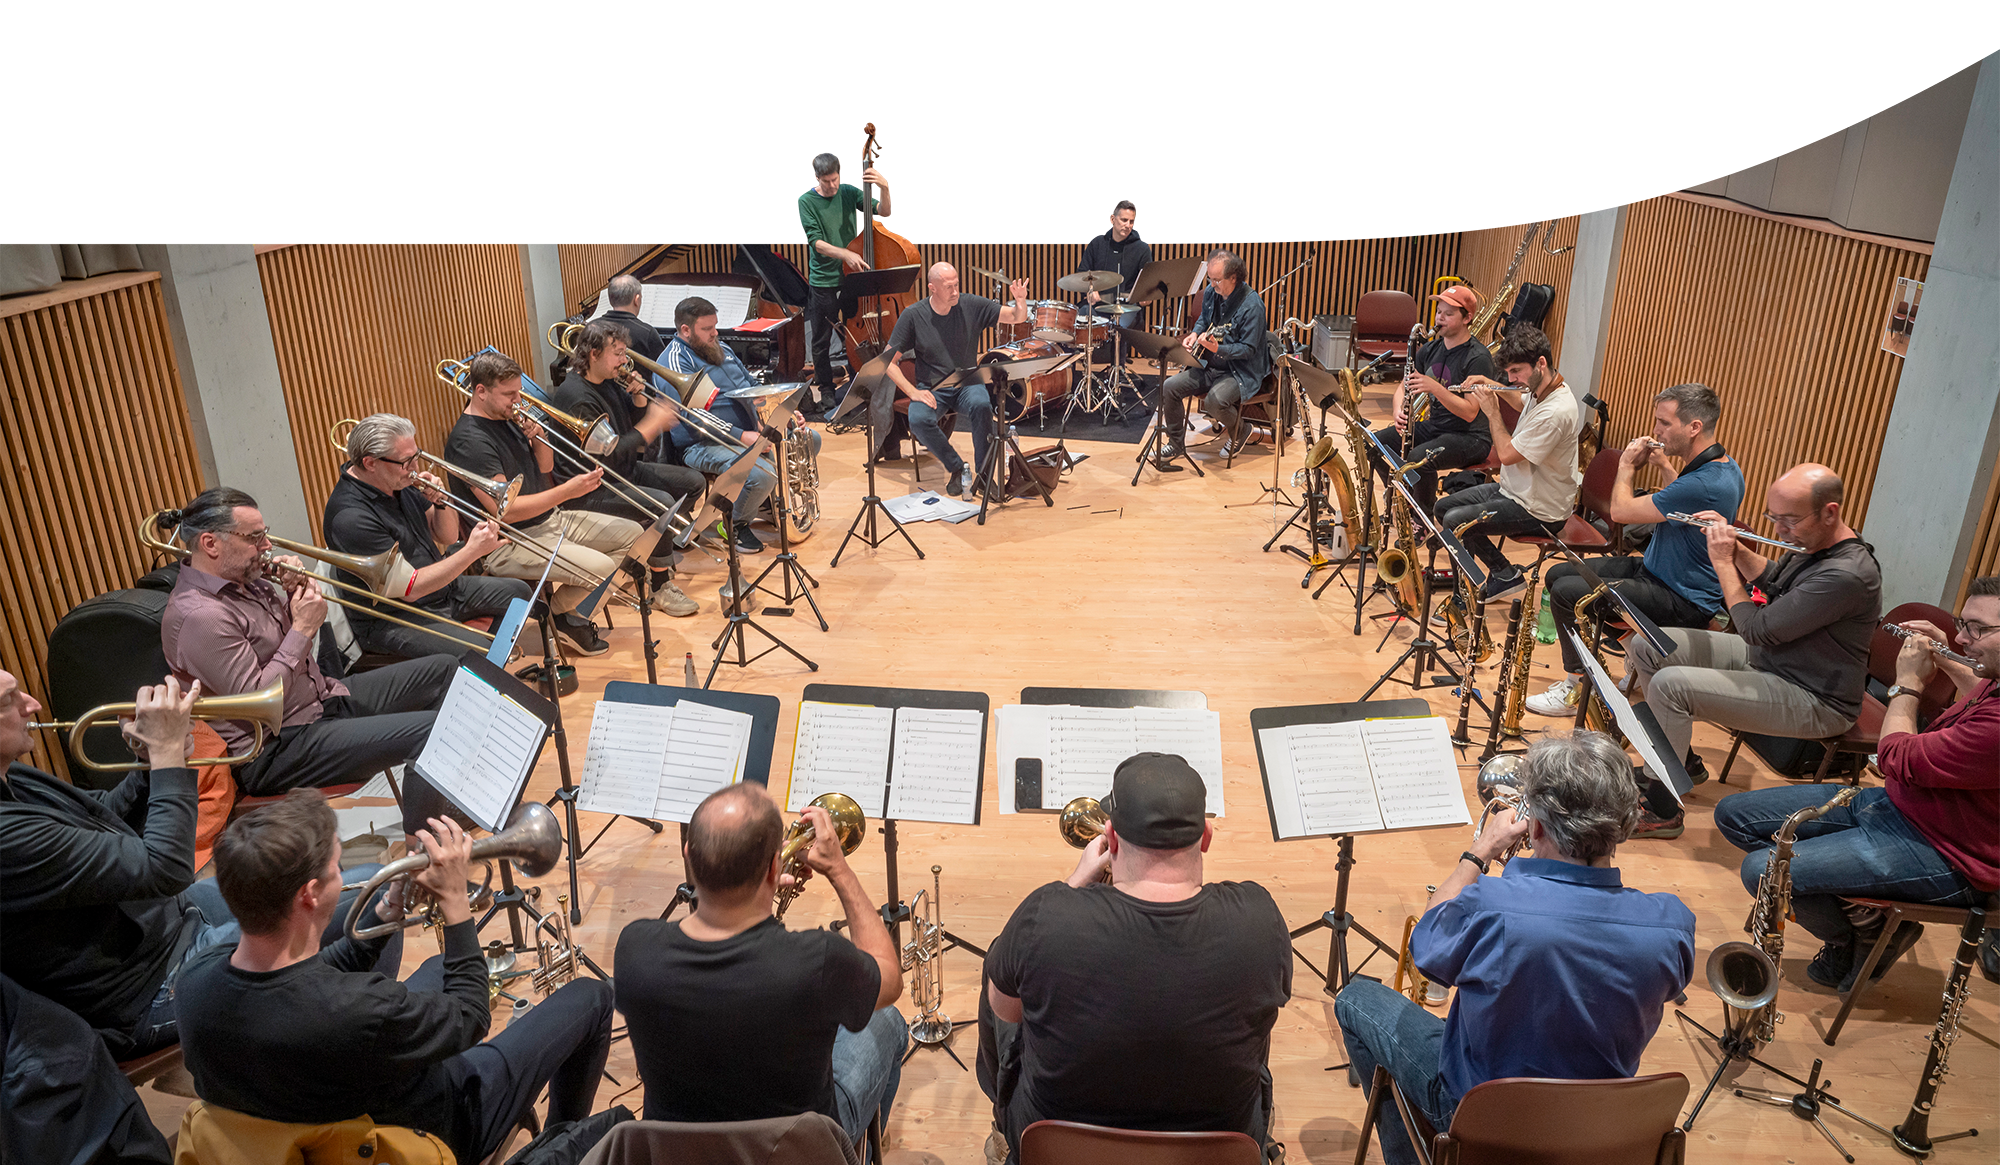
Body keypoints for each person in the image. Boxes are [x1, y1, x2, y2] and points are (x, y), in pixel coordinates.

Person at [175, 792, 613, 1165]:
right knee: (592, 999)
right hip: (435, 1125)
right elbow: (472, 1015)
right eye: (336, 867)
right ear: (308, 894)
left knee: (442, 967)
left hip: (316, 1099)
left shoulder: (195, 980)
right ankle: (562, 1139)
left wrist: (387, 909)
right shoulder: (359, 1010)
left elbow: (311, 978)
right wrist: (456, 903)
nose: (343, 875)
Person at [1334, 731, 1695, 1165]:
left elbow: (1426, 947)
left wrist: (1480, 851)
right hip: (1599, 1131)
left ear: (1536, 825)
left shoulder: (1488, 906)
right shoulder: (1671, 925)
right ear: (1624, 825)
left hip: (1485, 1123)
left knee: (1355, 999)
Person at [0, 671, 398, 1058]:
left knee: (320, 872)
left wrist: (148, 763)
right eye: (9, 700)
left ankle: (323, 1028)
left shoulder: (11, 775)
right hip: (148, 986)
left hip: (167, 920)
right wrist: (167, 755)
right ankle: (348, 1059)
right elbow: (165, 870)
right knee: (375, 894)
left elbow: (105, 819)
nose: (32, 705)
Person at [982, 753, 1291, 1154]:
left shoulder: (1045, 916)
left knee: (1003, 962)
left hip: (1062, 1152)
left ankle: (1003, 1131)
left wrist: (1074, 884)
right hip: (1210, 1155)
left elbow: (1005, 1010)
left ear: (1110, 840)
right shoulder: (1258, 919)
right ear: (1207, 837)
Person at [1714, 578, 2000, 991]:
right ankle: (1866, 921)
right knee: (1735, 816)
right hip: (1899, 807)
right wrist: (1947, 656)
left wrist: (1907, 684)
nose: (1960, 636)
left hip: (1947, 854)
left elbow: (1894, 758)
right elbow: (1981, 692)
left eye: (1977, 629)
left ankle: (1849, 937)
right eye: (1962, 623)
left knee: (1762, 869)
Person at [158, 487, 458, 837]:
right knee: (432, 733)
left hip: (321, 701)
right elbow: (263, 703)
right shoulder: (199, 616)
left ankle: (444, 803)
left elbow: (285, 649)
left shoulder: (247, 582)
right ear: (211, 544)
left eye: (264, 535)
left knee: (445, 669)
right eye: (254, 538)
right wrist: (302, 627)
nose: (267, 547)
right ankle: (426, 859)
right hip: (278, 747)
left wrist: (294, 595)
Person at [614, 783, 907, 1142]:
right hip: (804, 1151)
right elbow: (890, 978)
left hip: (681, 1151)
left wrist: (761, 892)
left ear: (688, 856)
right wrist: (840, 872)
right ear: (773, 868)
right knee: (887, 1019)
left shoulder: (635, 951)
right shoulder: (819, 961)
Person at [1624, 463, 1881, 837]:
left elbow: (1755, 629)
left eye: (1789, 520)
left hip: (1814, 695)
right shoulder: (1813, 542)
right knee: (1648, 644)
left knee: (1670, 685)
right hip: (1772, 662)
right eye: (1773, 518)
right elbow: (1774, 579)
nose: (1779, 530)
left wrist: (1723, 561)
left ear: (1830, 512)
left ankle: (1664, 809)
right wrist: (1734, 544)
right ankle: (1681, 762)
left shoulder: (1847, 574)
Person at [445, 351, 698, 640]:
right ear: (480, 391)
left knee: (637, 536)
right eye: (509, 394)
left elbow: (545, 467)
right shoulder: (470, 442)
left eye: (518, 392)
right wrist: (567, 490)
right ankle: (559, 617)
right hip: (511, 541)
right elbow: (508, 511)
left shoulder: (507, 417)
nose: (518, 401)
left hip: (550, 521)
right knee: (603, 568)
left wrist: (539, 438)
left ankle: (558, 611)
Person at [1527, 383, 1744, 718]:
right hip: (1657, 573)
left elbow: (1621, 513)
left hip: (1682, 598)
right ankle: (1635, 655)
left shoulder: (1704, 481)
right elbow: (1681, 499)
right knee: (1558, 574)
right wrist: (1662, 465)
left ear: (1694, 427)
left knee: (1569, 594)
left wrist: (1626, 465)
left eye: (1664, 423)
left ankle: (1577, 685)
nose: (1656, 430)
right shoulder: (1724, 466)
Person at [322, 412, 531, 662]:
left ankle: (491, 668)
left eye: (416, 456)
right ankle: (483, 673)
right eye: (406, 461)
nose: (415, 469)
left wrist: (442, 501)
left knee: (518, 594)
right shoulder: (350, 518)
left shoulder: (397, 480)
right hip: (398, 615)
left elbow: (447, 534)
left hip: (439, 589)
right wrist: (472, 551)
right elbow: (410, 589)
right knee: (477, 652)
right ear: (370, 463)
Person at [663, 295, 822, 555]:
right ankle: (735, 523)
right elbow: (692, 417)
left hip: (750, 429)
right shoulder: (675, 362)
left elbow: (751, 385)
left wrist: (783, 412)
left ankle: (764, 504)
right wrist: (742, 436)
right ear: (685, 330)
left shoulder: (720, 348)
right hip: (703, 442)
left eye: (715, 326)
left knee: (809, 439)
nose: (714, 333)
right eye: (707, 329)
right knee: (760, 475)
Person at [1433, 324, 1581, 604]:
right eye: (1508, 373)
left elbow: (1506, 455)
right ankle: (1503, 573)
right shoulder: (1543, 386)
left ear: (1541, 363)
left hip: (1541, 508)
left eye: (1516, 372)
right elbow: (1519, 399)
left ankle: (1463, 596)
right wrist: (1494, 385)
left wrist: (1491, 411)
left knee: (1456, 522)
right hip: (1517, 491)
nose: (1512, 379)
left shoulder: (1556, 411)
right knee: (1443, 508)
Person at [882, 263, 1034, 498]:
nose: (955, 291)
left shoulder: (971, 304)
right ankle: (956, 468)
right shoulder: (914, 315)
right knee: (919, 420)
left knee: (982, 405)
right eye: (948, 287)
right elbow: (889, 363)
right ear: (932, 288)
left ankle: (984, 475)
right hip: (933, 387)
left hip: (967, 382)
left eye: (957, 285)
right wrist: (913, 392)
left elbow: (1016, 317)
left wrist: (1020, 301)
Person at [549, 318, 709, 526]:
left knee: (695, 482)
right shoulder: (578, 398)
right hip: (595, 486)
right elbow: (611, 454)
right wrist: (651, 426)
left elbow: (628, 424)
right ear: (594, 354)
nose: (624, 360)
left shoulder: (605, 379)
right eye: (617, 354)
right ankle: (655, 550)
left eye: (624, 353)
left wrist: (638, 397)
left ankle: (659, 531)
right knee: (663, 503)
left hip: (623, 469)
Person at [1368, 285, 1497, 513]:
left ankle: (1422, 517)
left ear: (1467, 318)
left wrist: (1435, 388)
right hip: (1438, 428)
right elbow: (1402, 387)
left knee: (1419, 458)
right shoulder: (1430, 350)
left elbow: (1470, 412)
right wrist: (1398, 411)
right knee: (1376, 444)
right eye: (1439, 312)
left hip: (1471, 437)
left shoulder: (1477, 357)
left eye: (1449, 314)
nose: (1440, 318)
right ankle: (1406, 496)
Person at [800, 151, 891, 410]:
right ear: (816, 178)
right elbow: (816, 243)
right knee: (821, 339)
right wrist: (846, 253)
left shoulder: (849, 192)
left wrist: (884, 189)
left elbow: (882, 211)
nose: (832, 186)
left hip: (851, 278)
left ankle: (857, 384)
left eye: (835, 180)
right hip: (823, 280)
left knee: (855, 333)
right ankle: (826, 390)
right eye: (826, 181)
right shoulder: (807, 201)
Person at [1158, 251, 1270, 460]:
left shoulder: (1252, 306)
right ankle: (1175, 443)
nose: (1212, 284)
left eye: (1217, 280)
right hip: (1210, 365)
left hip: (1239, 371)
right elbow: (1203, 319)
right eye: (1210, 278)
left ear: (1234, 278)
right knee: (1169, 387)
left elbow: (1249, 350)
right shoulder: (1211, 291)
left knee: (1214, 401)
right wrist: (1194, 334)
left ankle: (1242, 429)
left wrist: (1219, 349)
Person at [1078, 201, 1152, 305]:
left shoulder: (1142, 249)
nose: (1128, 225)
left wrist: (1146, 297)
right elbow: (1082, 274)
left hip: (1128, 308)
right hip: (1097, 306)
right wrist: (1089, 289)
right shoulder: (1096, 245)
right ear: (1112, 219)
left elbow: (1147, 283)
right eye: (1124, 220)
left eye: (1131, 222)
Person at [601, 274, 664, 363]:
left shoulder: (592, 328)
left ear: (610, 300)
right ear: (636, 299)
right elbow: (662, 369)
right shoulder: (647, 333)